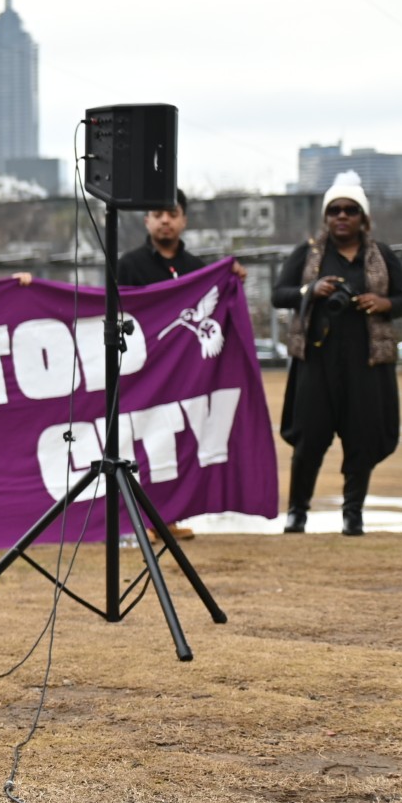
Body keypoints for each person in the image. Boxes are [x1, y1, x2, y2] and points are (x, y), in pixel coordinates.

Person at [271, 175, 402, 536]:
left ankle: (353, 513)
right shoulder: (307, 254)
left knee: (362, 436)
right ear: (326, 217)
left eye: (351, 210)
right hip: (316, 362)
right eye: (335, 210)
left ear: (363, 218)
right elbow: (279, 294)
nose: (342, 216)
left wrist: (382, 302)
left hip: (366, 362)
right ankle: (297, 511)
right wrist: (311, 289)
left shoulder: (381, 254)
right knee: (309, 437)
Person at [115, 189, 248, 543]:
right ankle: (142, 518)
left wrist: (231, 277)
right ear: (146, 220)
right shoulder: (129, 265)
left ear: (184, 220)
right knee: (144, 443)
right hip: (145, 372)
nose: (165, 220)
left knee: (180, 444)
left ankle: (170, 517)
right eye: (157, 213)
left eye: (172, 213)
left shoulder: (198, 270)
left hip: (187, 376)